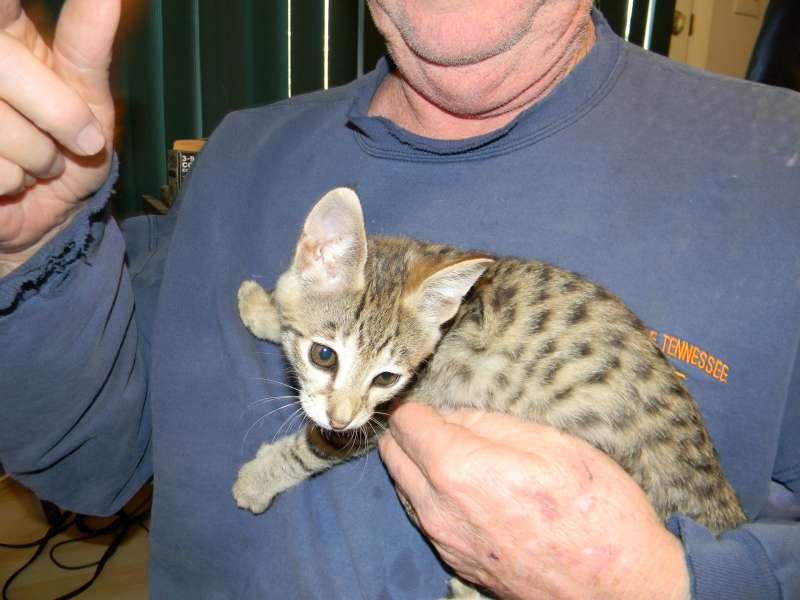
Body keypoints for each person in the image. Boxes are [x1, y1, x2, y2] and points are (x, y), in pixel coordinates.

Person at [1, 0, 798, 598]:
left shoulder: (778, 166)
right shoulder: (237, 151)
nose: (347, 411)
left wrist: (655, 584)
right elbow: (85, 466)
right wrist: (29, 247)